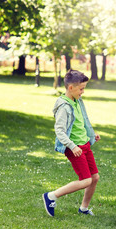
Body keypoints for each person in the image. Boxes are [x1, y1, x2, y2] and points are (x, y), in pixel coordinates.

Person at [42, 69, 101, 217]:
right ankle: (51, 196)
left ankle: (84, 208)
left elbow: (81, 122)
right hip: (74, 148)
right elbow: (60, 131)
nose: (83, 92)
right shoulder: (64, 106)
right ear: (71, 88)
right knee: (86, 180)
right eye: (81, 89)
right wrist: (72, 146)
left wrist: (92, 135)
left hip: (84, 145)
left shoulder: (77, 101)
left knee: (94, 178)